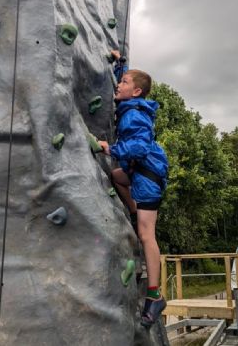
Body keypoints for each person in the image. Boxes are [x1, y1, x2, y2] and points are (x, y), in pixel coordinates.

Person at [98, 51, 168, 327]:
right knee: (116, 176)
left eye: (124, 82)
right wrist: (120, 65)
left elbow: (138, 147)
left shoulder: (134, 114)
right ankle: (135, 211)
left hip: (148, 176)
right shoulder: (130, 106)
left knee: (147, 235)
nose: (119, 85)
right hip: (136, 172)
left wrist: (110, 148)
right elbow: (124, 86)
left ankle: (154, 296)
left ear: (136, 91)